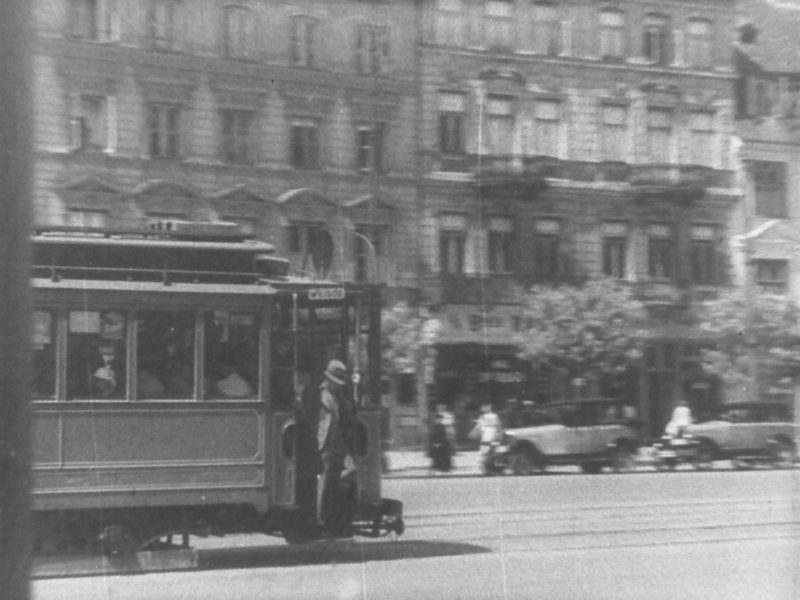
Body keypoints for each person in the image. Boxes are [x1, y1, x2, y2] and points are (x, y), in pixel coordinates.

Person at [316, 359, 356, 537]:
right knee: (324, 484)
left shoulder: (337, 396)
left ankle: (335, 518)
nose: (339, 386)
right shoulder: (322, 395)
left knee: (348, 472)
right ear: (329, 379)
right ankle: (322, 520)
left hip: (337, 444)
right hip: (326, 446)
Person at [471, 403, 503, 471]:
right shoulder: (495, 416)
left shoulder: (482, 416)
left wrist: (473, 433)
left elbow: (478, 426)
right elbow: (499, 426)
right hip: (494, 434)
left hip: (486, 435)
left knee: (484, 451)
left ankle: (483, 465)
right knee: (492, 451)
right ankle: (489, 465)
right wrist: (500, 434)